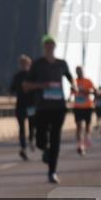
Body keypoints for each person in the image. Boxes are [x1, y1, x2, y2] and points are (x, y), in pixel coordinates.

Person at [22, 35, 75, 184]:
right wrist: (41, 85)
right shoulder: (37, 64)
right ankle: (45, 149)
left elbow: (70, 78)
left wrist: (74, 86)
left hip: (59, 107)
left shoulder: (62, 64)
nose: (49, 46)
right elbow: (26, 86)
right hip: (42, 107)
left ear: (55, 46)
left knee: (55, 139)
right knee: (40, 140)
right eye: (47, 44)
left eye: (51, 44)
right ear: (44, 46)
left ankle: (52, 172)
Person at [9, 54, 35, 160]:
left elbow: (38, 89)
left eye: (25, 63)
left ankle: (31, 140)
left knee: (32, 125)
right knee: (21, 127)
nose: (23, 65)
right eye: (22, 63)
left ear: (29, 64)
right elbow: (11, 89)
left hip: (31, 105)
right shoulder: (17, 76)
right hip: (20, 104)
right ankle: (23, 148)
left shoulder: (33, 75)